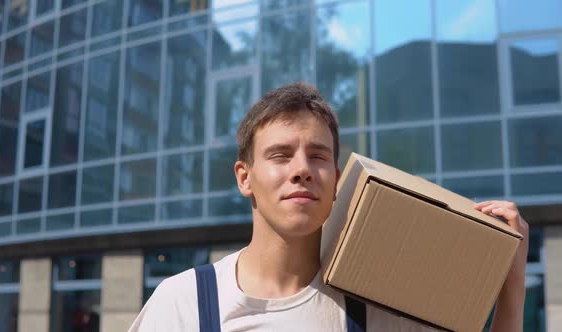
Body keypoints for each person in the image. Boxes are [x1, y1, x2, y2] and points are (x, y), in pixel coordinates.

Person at [129, 82, 529, 331]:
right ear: (244, 177)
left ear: (337, 179)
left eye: (318, 156)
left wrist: (510, 287)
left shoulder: (380, 309)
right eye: (281, 155)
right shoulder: (184, 303)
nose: (302, 169)